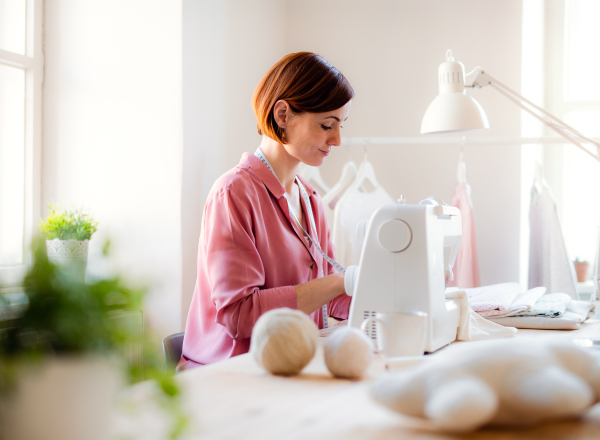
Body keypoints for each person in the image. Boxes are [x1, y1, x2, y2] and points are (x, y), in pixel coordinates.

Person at [179, 52, 354, 368]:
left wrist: (387, 290)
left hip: (290, 367)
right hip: (230, 373)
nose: (337, 139)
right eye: (327, 124)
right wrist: (341, 282)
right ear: (283, 114)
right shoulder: (233, 194)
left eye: (340, 125)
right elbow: (240, 314)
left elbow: (329, 295)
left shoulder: (311, 201)